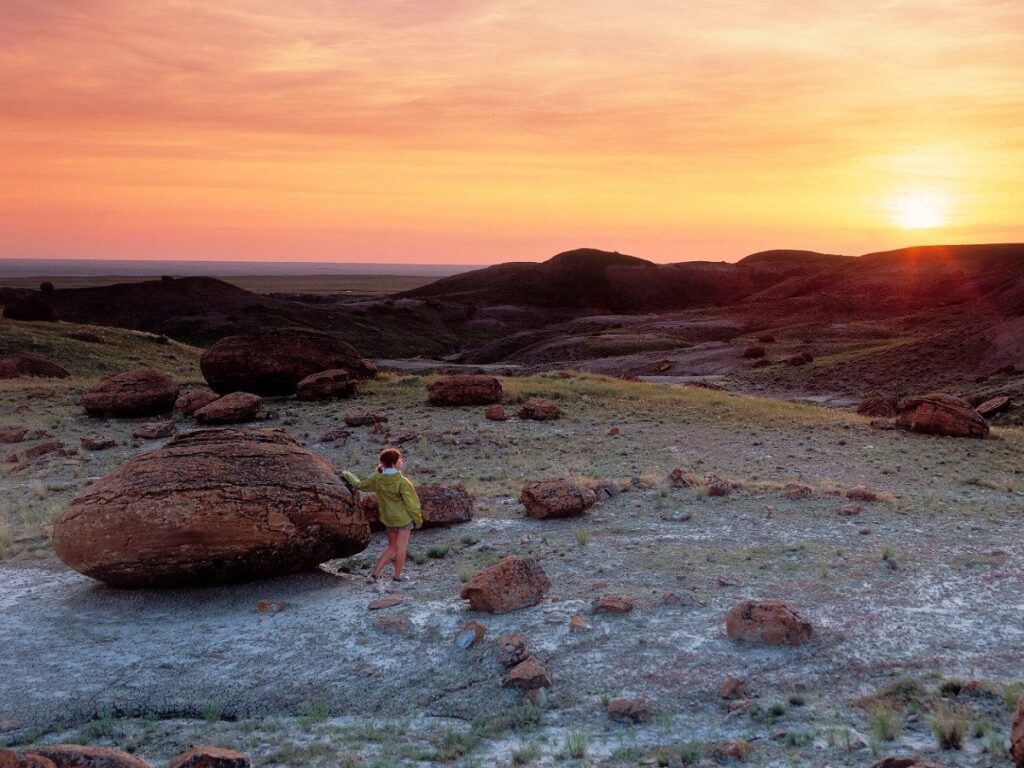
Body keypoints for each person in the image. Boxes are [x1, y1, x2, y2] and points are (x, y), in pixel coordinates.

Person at [342, 447, 422, 584]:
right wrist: (418, 520)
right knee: (401, 547)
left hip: (388, 519)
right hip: (403, 519)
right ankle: (397, 577)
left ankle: (374, 575)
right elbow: (412, 504)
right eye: (400, 459)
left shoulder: (377, 478)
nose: (402, 462)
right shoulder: (403, 482)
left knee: (391, 547)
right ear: (395, 462)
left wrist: (346, 473)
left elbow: (359, 485)